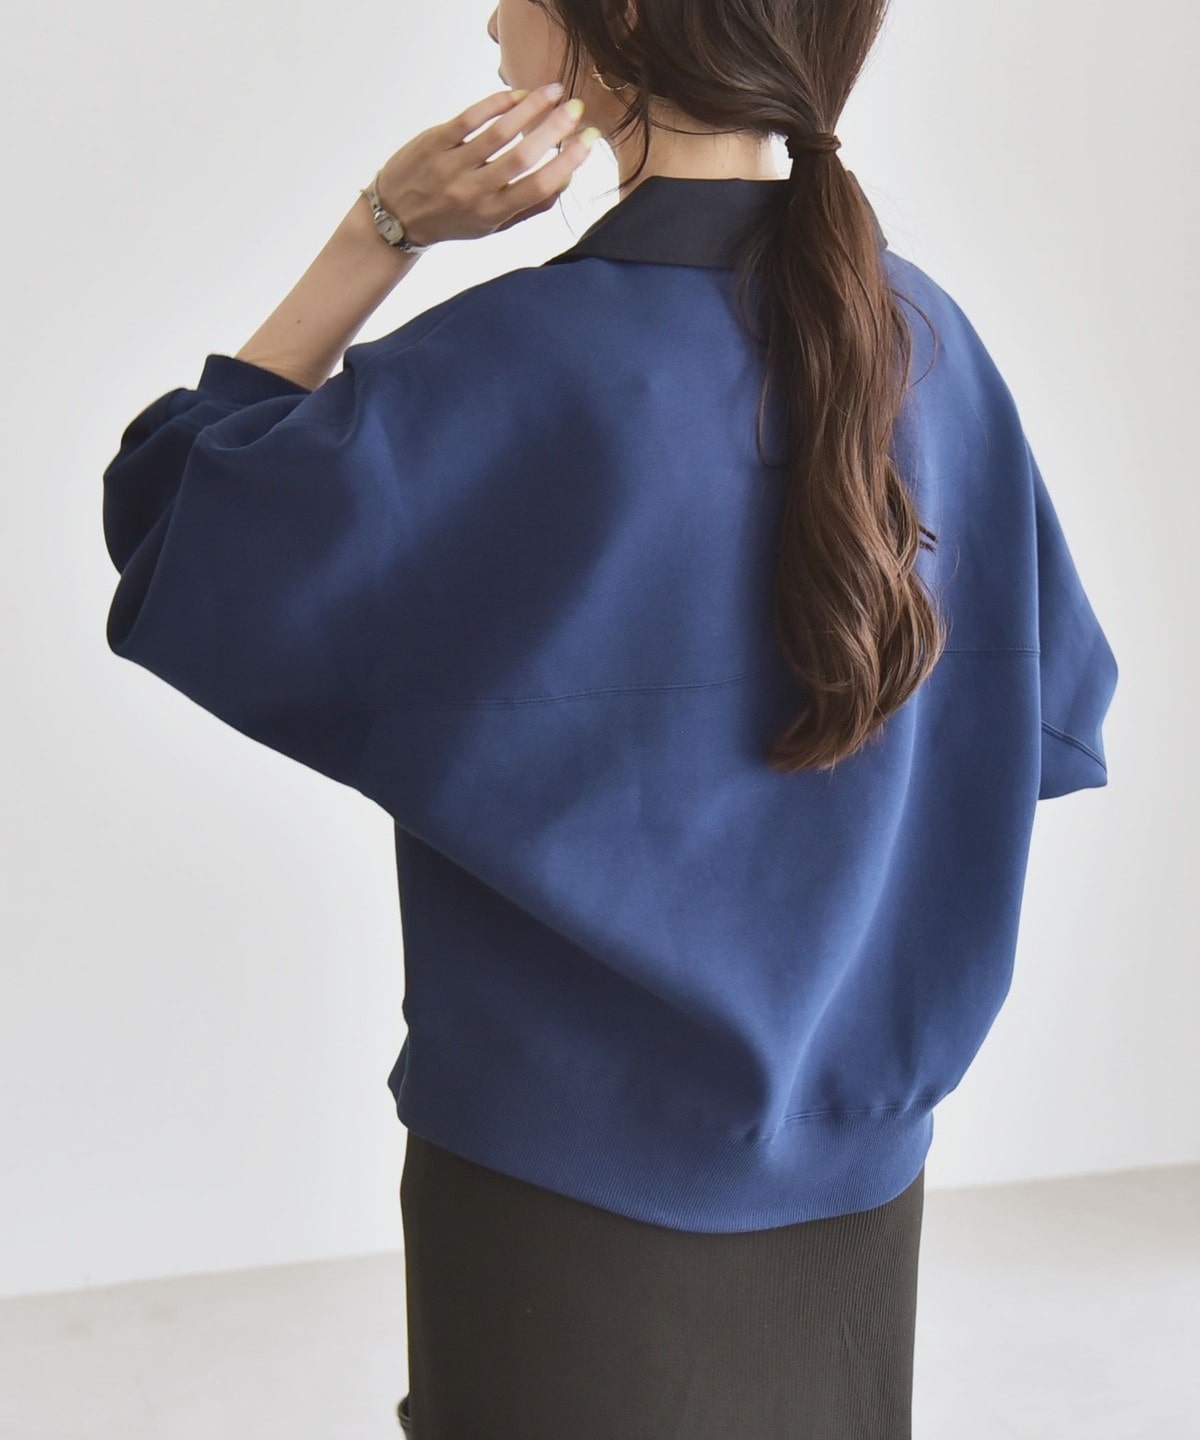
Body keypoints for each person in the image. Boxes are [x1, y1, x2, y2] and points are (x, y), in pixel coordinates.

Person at [100, 1, 1119, 1436]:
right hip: (857, 1187)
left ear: (626, 15)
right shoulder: (928, 342)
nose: (492, 13)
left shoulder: (515, 363)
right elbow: (1046, 711)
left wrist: (379, 232)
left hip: (557, 1199)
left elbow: (178, 520)